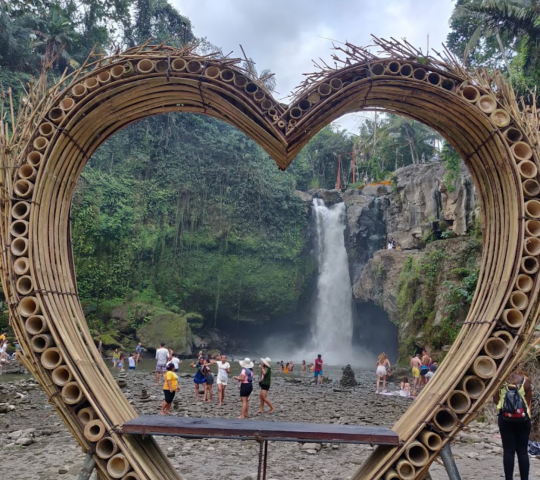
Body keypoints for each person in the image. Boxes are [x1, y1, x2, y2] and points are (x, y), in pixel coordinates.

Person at [494, 370, 532, 480]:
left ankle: (509, 478)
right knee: (523, 452)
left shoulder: (500, 382)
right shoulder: (526, 382)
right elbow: (527, 402)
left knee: (508, 451)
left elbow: (496, 401)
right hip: (523, 420)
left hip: (505, 419)